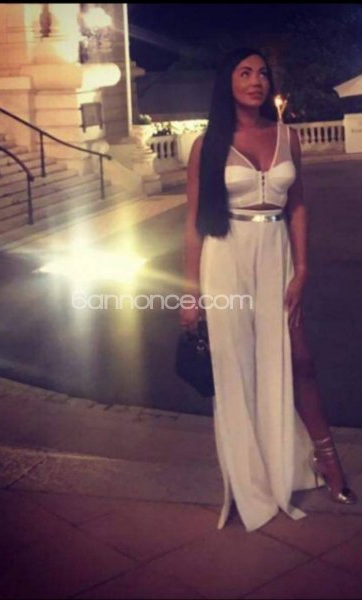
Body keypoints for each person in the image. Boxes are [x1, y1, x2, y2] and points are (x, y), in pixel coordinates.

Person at [180, 47, 357, 532]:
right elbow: (193, 222)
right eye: (245, 72)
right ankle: (250, 480)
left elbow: (297, 205)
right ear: (228, 81)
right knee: (236, 368)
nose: (256, 80)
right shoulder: (206, 144)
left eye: (261, 73)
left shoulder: (287, 137)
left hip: (275, 254)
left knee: (300, 361)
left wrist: (302, 268)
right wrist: (190, 293)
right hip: (226, 258)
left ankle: (328, 461)